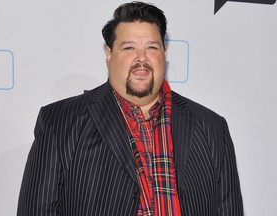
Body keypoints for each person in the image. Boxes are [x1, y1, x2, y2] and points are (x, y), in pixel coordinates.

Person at [17, 2, 243, 215]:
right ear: (109, 52)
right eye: (129, 48)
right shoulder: (60, 122)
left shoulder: (212, 127)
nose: (141, 58)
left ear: (164, 52)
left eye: (152, 47)